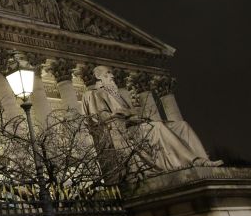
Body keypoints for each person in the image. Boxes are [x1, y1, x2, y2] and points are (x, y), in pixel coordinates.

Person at [82, 65, 221, 172]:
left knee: (182, 126)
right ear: (98, 76)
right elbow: (100, 117)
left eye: (112, 73)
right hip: (125, 131)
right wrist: (123, 114)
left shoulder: (117, 94)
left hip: (139, 125)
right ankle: (193, 161)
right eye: (108, 73)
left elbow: (132, 112)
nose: (112, 75)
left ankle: (203, 161)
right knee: (158, 127)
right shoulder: (94, 94)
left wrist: (136, 115)